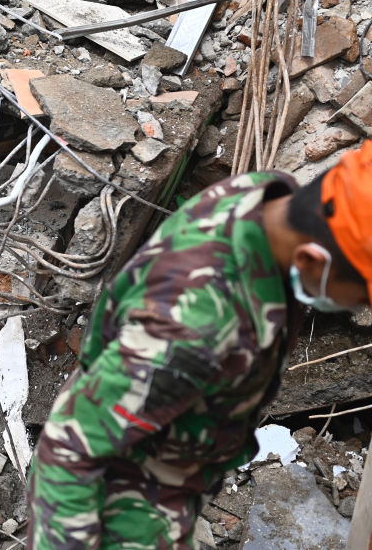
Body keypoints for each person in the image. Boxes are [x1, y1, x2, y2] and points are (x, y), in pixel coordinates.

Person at [26, 144, 372, 549]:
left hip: (166, 448)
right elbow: (69, 450)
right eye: (361, 296)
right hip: (127, 504)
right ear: (313, 260)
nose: (360, 307)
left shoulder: (266, 195)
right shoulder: (195, 327)